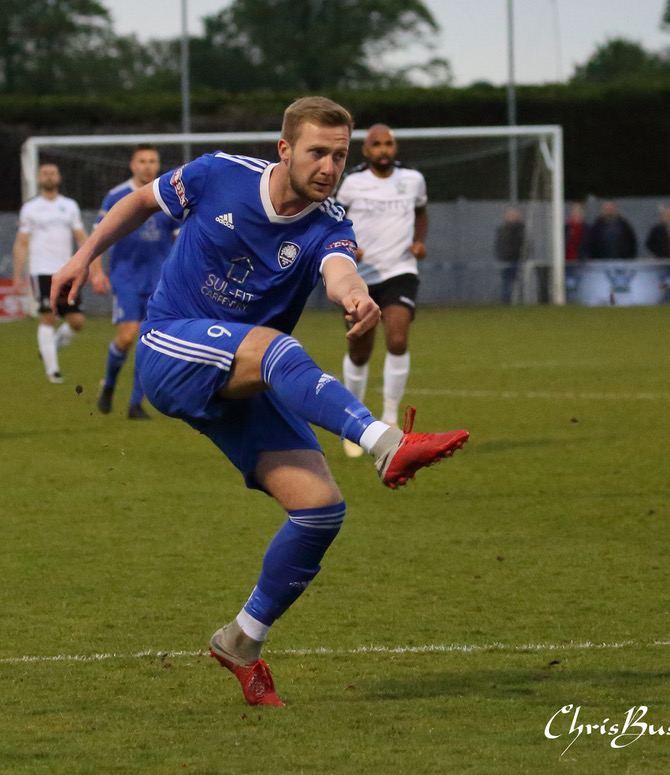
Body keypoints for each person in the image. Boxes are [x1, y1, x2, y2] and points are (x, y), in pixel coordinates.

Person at [51, 96, 470, 707]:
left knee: (321, 510)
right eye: (317, 152)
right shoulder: (220, 173)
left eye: (339, 155)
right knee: (275, 347)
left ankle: (241, 641)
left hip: (244, 375)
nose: (329, 166)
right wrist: (85, 253)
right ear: (284, 149)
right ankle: (385, 443)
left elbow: (340, 271)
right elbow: (141, 201)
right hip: (171, 346)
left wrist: (356, 298)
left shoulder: (331, 223)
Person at [333, 124, 429, 456]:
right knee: (360, 351)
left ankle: (389, 418)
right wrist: (346, 246)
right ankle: (354, 421)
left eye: (389, 143)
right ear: (366, 149)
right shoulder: (352, 183)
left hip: (400, 271)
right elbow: (333, 219)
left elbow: (420, 212)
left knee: (398, 339)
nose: (383, 149)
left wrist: (419, 242)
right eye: (377, 144)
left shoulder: (413, 179)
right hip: (359, 278)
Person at [91, 145, 179, 419]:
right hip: (126, 277)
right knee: (127, 337)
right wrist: (95, 271)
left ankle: (135, 404)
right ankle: (109, 384)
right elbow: (98, 237)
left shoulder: (168, 197)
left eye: (153, 161)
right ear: (132, 165)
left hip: (159, 280)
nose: (148, 166)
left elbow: (180, 239)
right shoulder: (116, 196)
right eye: (142, 161)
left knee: (148, 341)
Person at [12, 162, 90, 383]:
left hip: (66, 270)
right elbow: (22, 242)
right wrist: (18, 273)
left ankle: (49, 347)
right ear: (38, 179)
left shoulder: (69, 206)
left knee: (77, 321)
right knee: (48, 316)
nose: (49, 176)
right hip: (42, 271)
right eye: (44, 173)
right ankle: (52, 371)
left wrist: (91, 264)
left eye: (52, 173)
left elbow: (81, 237)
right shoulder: (30, 208)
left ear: (58, 177)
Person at [494, 206, 526, 303]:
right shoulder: (504, 229)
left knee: (519, 282)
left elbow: (526, 243)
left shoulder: (521, 229)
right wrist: (502, 257)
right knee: (507, 282)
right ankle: (506, 301)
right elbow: (502, 244)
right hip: (507, 260)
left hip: (518, 259)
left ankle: (519, 301)